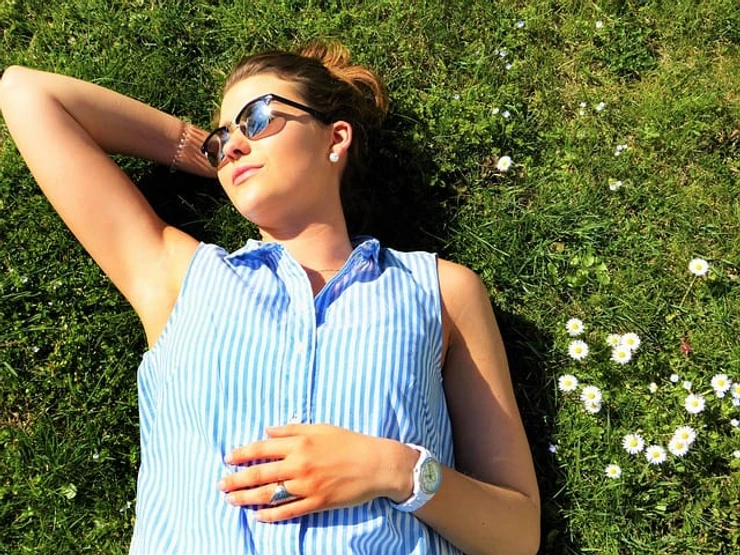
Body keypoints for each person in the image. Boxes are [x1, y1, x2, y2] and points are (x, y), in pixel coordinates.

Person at [0, 41, 540, 554]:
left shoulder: (442, 291)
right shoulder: (178, 277)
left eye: (258, 119)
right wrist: (211, 155)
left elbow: (516, 534)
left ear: (336, 138)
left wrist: (391, 470)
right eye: (222, 140)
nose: (233, 143)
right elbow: (27, 94)